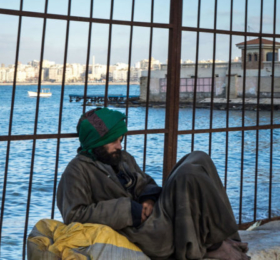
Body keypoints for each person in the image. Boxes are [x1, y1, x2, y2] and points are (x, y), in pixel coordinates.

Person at [56, 108, 249, 260]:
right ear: (97, 142)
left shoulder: (121, 158)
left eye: (120, 139)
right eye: (113, 141)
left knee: (199, 158)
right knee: (188, 174)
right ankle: (214, 247)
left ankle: (226, 238)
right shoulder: (77, 171)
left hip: (154, 215)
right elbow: (74, 216)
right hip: (143, 232)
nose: (120, 146)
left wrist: (148, 198)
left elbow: (146, 181)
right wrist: (129, 211)